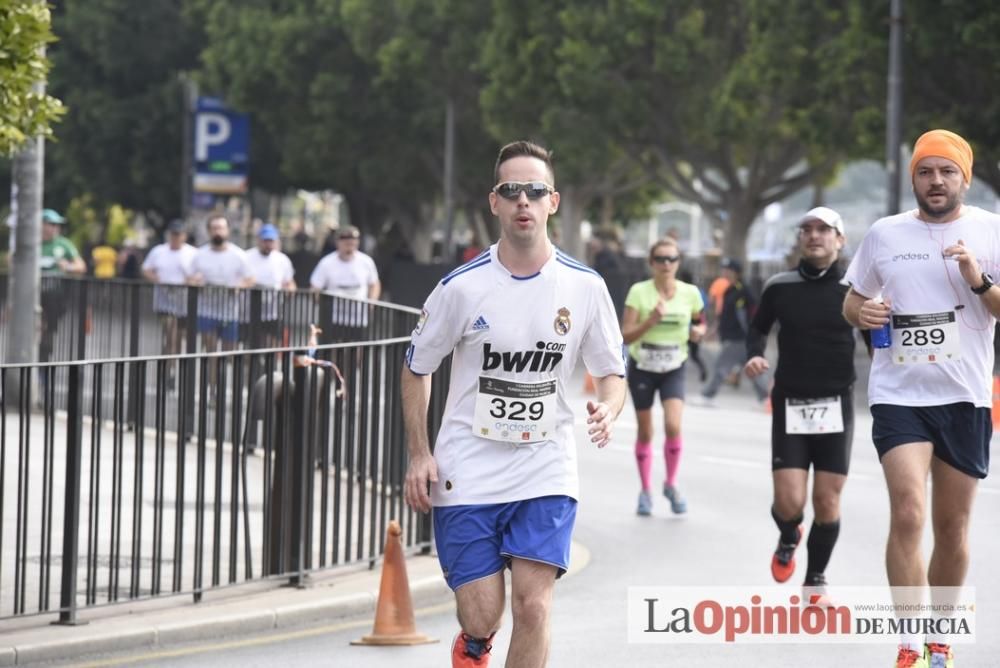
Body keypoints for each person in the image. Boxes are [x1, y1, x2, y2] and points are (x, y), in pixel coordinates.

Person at [401, 140, 627, 667]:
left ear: (554, 201)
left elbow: (611, 372)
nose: (523, 200)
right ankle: (474, 646)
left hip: (544, 467)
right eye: (511, 191)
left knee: (534, 608)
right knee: (482, 616)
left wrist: (608, 409)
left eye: (535, 190)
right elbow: (417, 367)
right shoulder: (460, 288)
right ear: (494, 203)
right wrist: (418, 453)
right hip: (468, 468)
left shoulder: (585, 287)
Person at [842, 129, 995, 668]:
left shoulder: (991, 231)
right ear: (913, 178)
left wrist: (977, 280)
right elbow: (853, 299)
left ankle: (940, 638)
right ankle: (909, 641)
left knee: (952, 528)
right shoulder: (884, 234)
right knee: (908, 513)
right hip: (898, 394)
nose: (935, 181)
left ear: (964, 177)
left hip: (965, 398)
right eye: (925, 172)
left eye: (946, 172)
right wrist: (862, 314)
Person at [743, 207, 858, 602]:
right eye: (807, 229)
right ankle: (790, 533)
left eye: (824, 230)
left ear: (839, 239)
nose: (814, 236)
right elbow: (757, 330)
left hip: (836, 402)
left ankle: (816, 578)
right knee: (789, 501)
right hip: (791, 401)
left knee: (827, 500)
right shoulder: (780, 286)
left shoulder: (855, 288)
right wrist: (755, 356)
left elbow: (877, 334)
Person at [621, 237, 705, 515]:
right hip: (643, 367)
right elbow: (625, 334)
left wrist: (698, 333)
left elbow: (701, 321)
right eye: (660, 259)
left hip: (674, 367)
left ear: (678, 263)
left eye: (672, 259)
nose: (666, 264)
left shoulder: (690, 293)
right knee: (646, 431)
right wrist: (651, 321)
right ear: (651, 263)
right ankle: (645, 490)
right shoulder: (639, 292)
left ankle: (670, 483)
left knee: (673, 425)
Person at [695, 258, 769, 406]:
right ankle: (766, 399)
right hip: (731, 336)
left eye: (728, 270)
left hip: (739, 337)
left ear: (737, 273)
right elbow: (724, 315)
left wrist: (755, 333)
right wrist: (714, 330)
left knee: (720, 367)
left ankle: (707, 395)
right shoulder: (729, 290)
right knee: (753, 370)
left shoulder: (745, 290)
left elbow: (756, 313)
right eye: (724, 270)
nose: (725, 273)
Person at [187, 214, 254, 354]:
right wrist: (195, 281)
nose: (218, 231)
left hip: (230, 313)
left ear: (227, 230)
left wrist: (239, 286)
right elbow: (189, 278)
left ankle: (224, 376)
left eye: (221, 228)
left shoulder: (238, 254)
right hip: (206, 311)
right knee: (211, 353)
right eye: (214, 228)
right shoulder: (200, 254)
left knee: (229, 353)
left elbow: (251, 278)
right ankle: (212, 377)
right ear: (209, 231)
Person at [142, 220, 198, 376]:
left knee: (179, 337)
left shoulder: (192, 253)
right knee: (170, 334)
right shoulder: (159, 251)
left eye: (178, 234)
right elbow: (146, 269)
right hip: (164, 303)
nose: (175, 237)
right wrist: (157, 280)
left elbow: (200, 274)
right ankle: (169, 370)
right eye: (173, 234)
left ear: (184, 236)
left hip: (184, 303)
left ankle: (172, 366)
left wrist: (190, 281)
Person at [309, 225, 381, 342]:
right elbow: (315, 286)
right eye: (345, 238)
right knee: (334, 350)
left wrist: (372, 302)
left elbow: (374, 283)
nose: (349, 241)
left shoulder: (366, 262)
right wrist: (321, 304)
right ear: (337, 241)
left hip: (358, 318)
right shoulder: (327, 263)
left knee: (358, 351)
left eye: (353, 238)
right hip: (334, 318)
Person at [39, 208, 86, 365]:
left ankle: (42, 365)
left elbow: (81, 266)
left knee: (47, 333)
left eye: (56, 224)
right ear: (41, 225)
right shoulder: (31, 244)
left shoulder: (64, 244)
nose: (54, 227)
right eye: (51, 224)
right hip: (32, 296)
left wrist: (68, 267)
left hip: (55, 298)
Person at [246, 223, 296, 347]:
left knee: (271, 345)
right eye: (265, 240)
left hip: (273, 312)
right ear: (258, 240)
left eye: (271, 241)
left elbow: (289, 282)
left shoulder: (282, 259)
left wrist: (290, 290)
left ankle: (269, 366)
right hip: (248, 312)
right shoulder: (247, 257)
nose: (268, 244)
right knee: (250, 345)